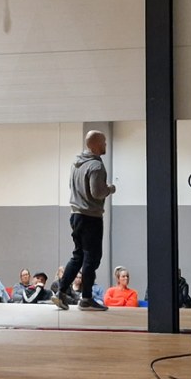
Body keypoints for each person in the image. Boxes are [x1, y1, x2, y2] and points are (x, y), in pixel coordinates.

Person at [54, 131, 115, 312]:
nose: (105, 144)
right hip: (90, 217)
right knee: (91, 258)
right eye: (103, 142)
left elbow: (71, 186)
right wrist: (110, 189)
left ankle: (61, 292)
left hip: (75, 216)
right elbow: (97, 192)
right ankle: (86, 299)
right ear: (95, 144)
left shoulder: (76, 163)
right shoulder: (96, 165)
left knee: (78, 255)